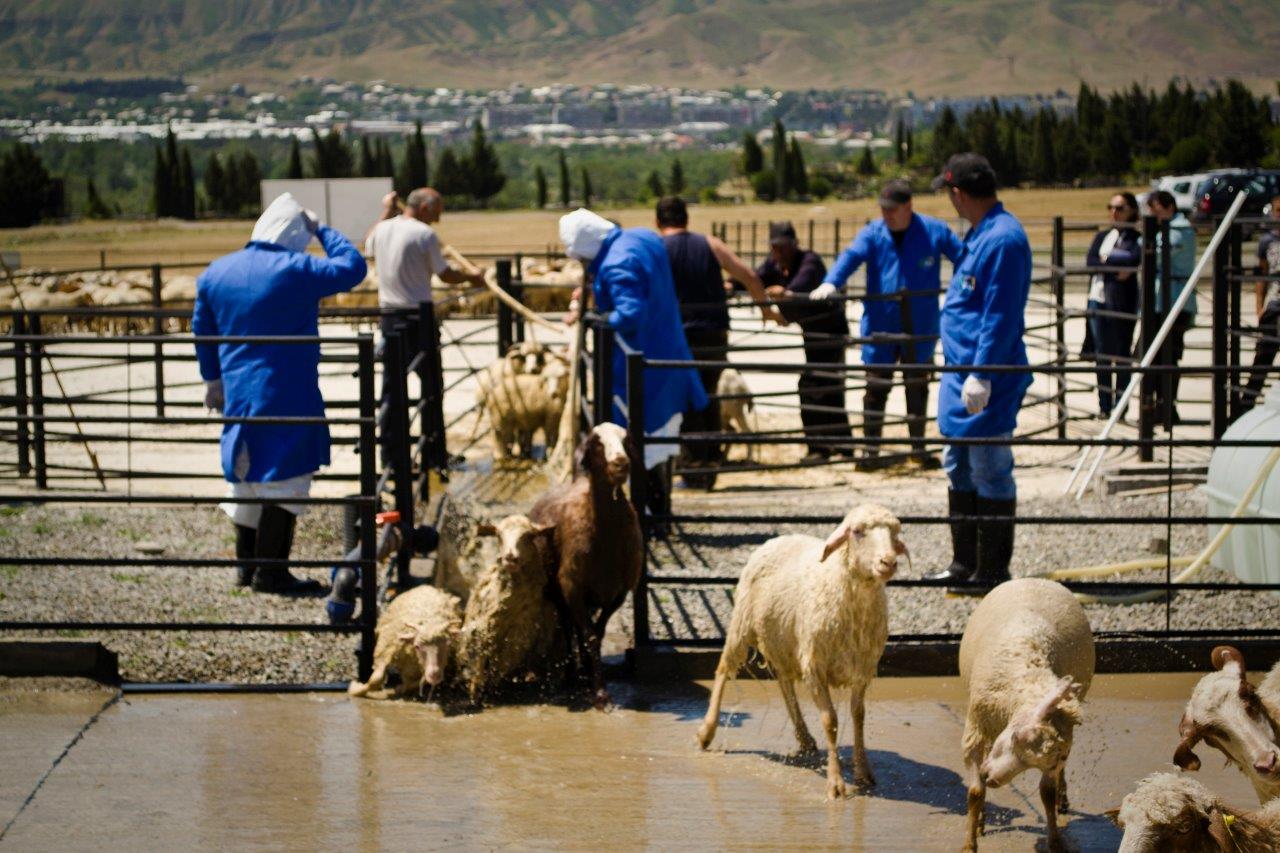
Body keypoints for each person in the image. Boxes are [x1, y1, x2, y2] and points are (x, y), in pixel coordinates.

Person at [194, 193, 367, 593]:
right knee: (286, 480)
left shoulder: (216, 272)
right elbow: (352, 267)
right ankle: (272, 574)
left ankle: (246, 568)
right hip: (287, 389)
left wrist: (213, 380)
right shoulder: (297, 268)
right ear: (294, 235)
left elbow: (202, 331)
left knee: (245, 477)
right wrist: (322, 230)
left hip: (237, 392)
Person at [925, 154, 1032, 593]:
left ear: (958, 193)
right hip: (962, 375)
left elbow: (999, 313)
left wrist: (983, 372)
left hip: (986, 377)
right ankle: (964, 563)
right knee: (959, 466)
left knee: (989, 467)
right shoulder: (982, 234)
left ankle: (991, 571)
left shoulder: (1003, 239)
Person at [559, 208, 708, 513]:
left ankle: (649, 513)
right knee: (659, 440)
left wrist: (600, 319)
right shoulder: (642, 237)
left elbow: (630, 314)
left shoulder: (617, 262)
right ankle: (658, 509)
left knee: (640, 437)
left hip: (641, 364)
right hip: (667, 348)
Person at [816, 179, 962, 470]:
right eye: (883, 208)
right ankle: (871, 452)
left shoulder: (934, 231)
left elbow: (964, 259)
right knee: (876, 387)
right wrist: (831, 282)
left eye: (892, 209)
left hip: (920, 326)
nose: (887, 214)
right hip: (880, 325)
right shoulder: (873, 232)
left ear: (909, 206)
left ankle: (918, 449)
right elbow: (851, 256)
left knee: (917, 385)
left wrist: (961, 292)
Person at [656, 196, 784, 489]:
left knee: (685, 400)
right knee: (709, 395)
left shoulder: (658, 248)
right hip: (715, 333)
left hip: (680, 335)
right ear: (686, 218)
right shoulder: (711, 244)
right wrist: (766, 310)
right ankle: (712, 462)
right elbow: (749, 276)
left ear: (658, 221)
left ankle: (695, 468)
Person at [365, 188, 485, 455]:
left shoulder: (383, 229)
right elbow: (445, 275)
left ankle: (390, 454)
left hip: (390, 317)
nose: (439, 218)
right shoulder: (424, 234)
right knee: (431, 385)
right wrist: (472, 277)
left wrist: (386, 211)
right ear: (424, 208)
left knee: (392, 387)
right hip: (419, 317)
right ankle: (433, 451)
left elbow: (368, 245)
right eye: (437, 211)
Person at [756, 222, 853, 463]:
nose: (779, 252)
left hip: (830, 332)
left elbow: (802, 284)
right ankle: (832, 445)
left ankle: (827, 446)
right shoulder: (774, 264)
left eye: (783, 247)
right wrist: (733, 284)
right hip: (811, 333)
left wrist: (785, 293)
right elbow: (757, 276)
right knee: (821, 384)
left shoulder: (810, 261)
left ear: (794, 245)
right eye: (775, 247)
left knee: (821, 385)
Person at [1081, 192, 1142, 419]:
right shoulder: (1103, 236)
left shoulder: (1136, 238)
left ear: (1132, 210)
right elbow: (1091, 261)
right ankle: (1104, 405)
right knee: (1102, 354)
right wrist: (1113, 266)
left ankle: (1120, 405)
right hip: (1097, 300)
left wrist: (1106, 264)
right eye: (1111, 207)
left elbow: (1133, 260)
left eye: (1120, 208)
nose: (1114, 212)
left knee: (1122, 354)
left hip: (1122, 303)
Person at [1145, 190, 1198, 427]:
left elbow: (1155, 255)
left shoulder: (1180, 230)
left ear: (1169, 207)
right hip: (1160, 303)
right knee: (1156, 357)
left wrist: (1145, 240)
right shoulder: (1169, 229)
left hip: (1175, 303)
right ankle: (1158, 406)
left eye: (1155, 209)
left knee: (1169, 356)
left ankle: (1167, 407)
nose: (1151, 214)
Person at [1240, 194, 1280, 413]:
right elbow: (1261, 276)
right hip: (1274, 305)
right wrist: (1259, 306)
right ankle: (1245, 406)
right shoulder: (1267, 241)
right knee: (1263, 356)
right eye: (1278, 211)